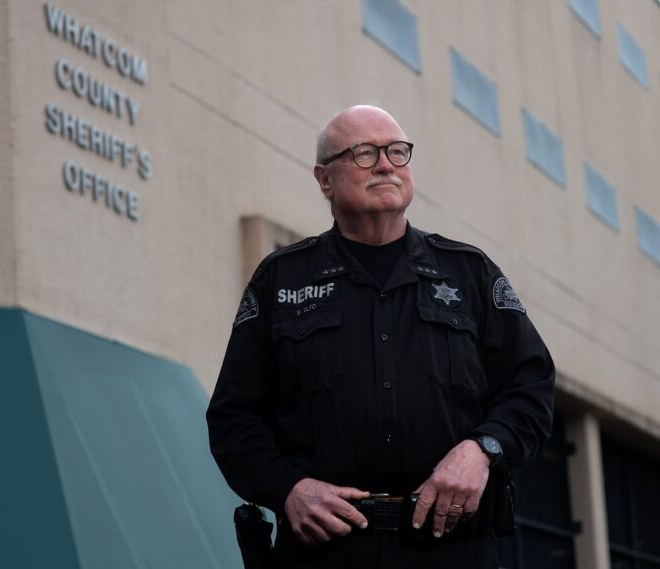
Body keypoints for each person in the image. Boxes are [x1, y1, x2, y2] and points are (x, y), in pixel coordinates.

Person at [207, 105, 555, 568]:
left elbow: (530, 388)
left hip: (451, 550)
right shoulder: (280, 281)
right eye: (365, 154)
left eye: (397, 152)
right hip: (324, 554)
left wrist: (482, 450)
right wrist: (287, 489)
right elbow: (235, 419)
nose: (387, 165)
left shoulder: (468, 273)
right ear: (324, 179)